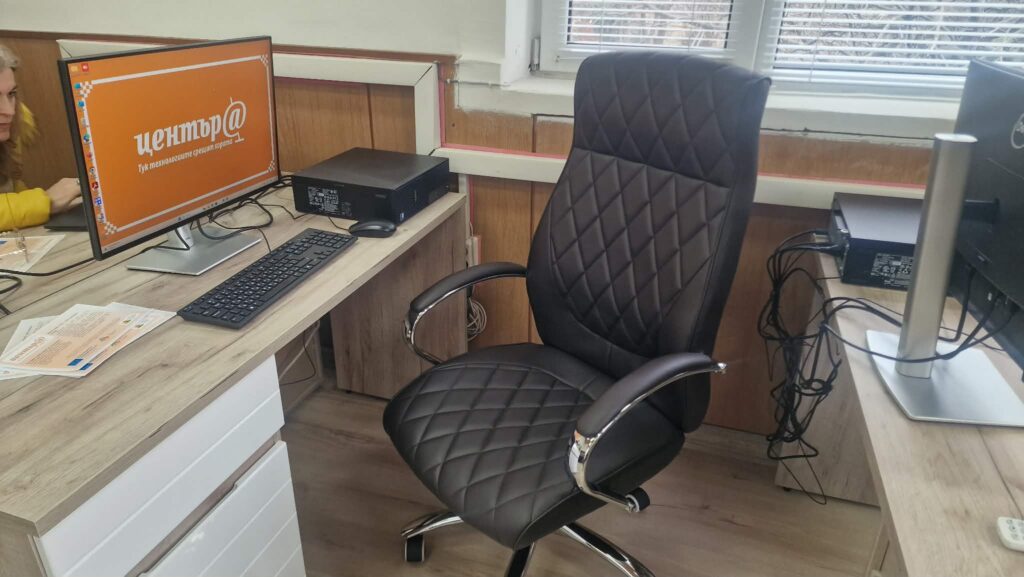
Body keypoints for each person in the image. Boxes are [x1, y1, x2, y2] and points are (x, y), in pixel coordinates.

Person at [0, 43, 82, 232]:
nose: (9, 110)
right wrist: (46, 202)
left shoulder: (12, 125)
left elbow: (11, 192)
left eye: (11, 94)